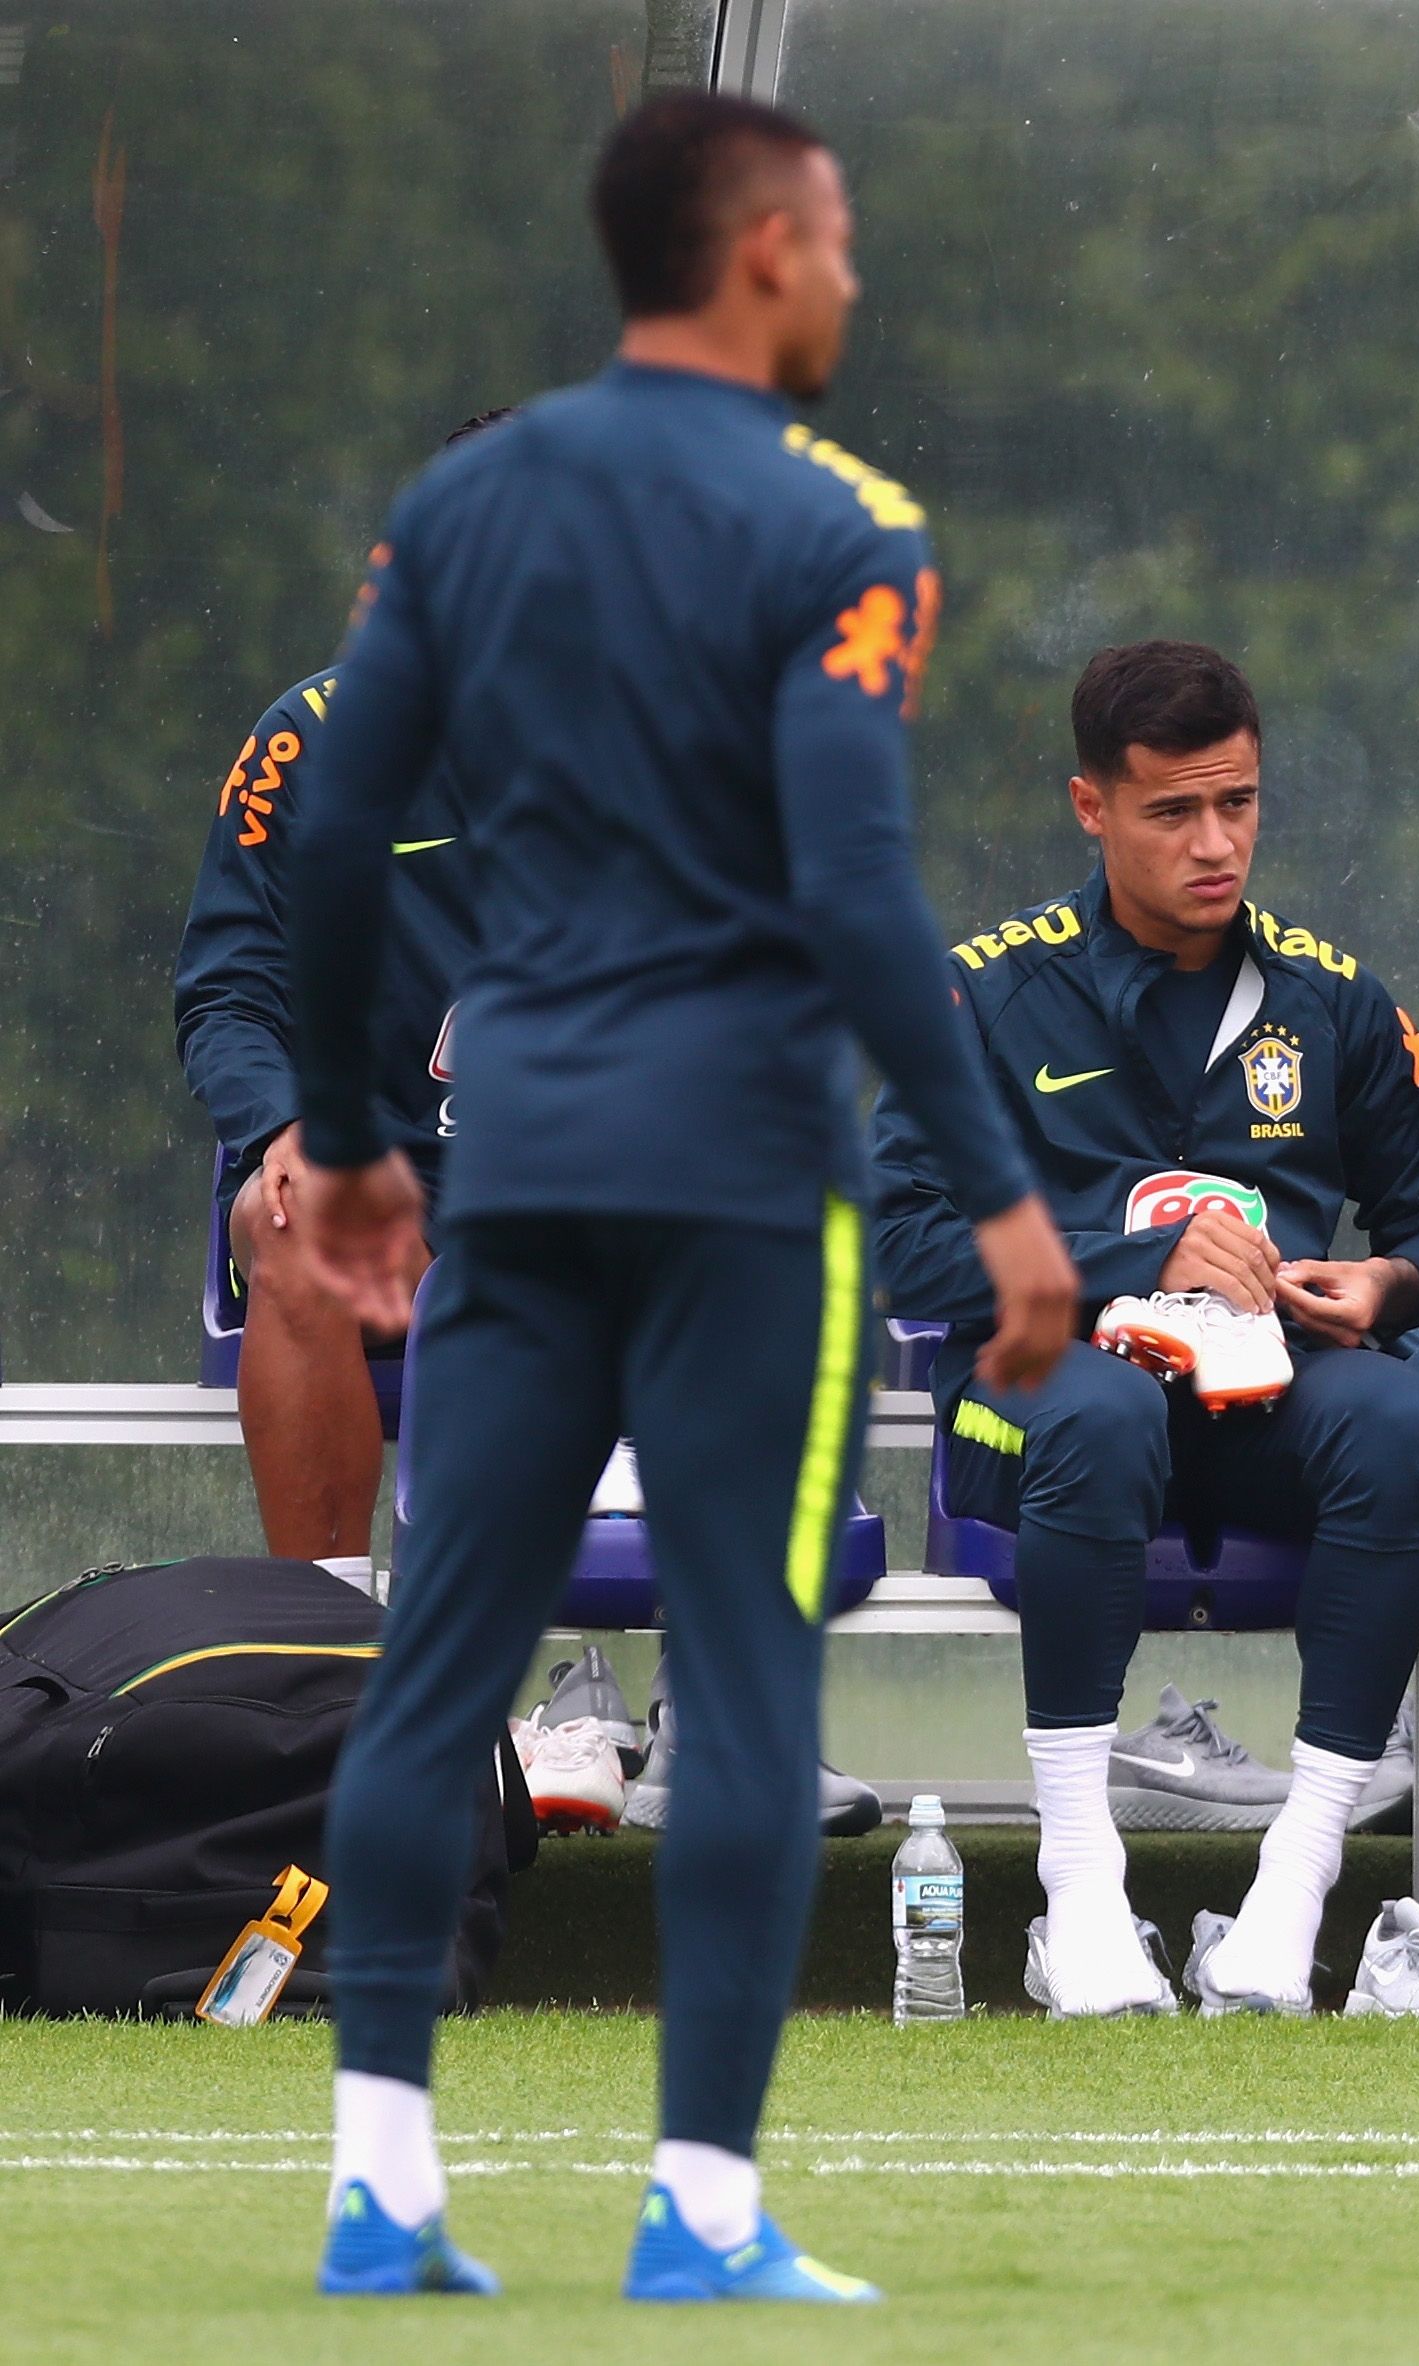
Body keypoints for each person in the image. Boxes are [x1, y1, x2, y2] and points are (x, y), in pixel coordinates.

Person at [284, 92, 1075, 2302]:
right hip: (744, 1185)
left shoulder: (461, 501)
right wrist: (1005, 1197)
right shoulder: (846, 524)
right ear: (753, 250)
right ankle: (699, 2213)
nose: (847, 279)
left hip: (516, 1164)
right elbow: (847, 877)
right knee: (744, 1686)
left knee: (436, 1665)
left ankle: (379, 2191)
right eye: (831, 242)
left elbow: (336, 836)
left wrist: (352, 1136)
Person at [871, 639, 1419, 2021]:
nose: (1215, 843)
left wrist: (1383, 1287)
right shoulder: (984, 992)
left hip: (1266, 1402)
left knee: (1402, 1425)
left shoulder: (1334, 1003)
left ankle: (1290, 1891)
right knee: (1097, 1415)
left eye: (1239, 803)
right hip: (1043, 1404)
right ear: (1092, 806)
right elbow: (900, 1239)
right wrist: (1128, 1262)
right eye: (1173, 812)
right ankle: (1080, 1888)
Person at [172, 410, 508, 1578]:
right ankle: (328, 1658)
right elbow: (226, 991)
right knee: (302, 1222)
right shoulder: (307, 742)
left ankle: (695, 1711)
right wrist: (283, 1126)